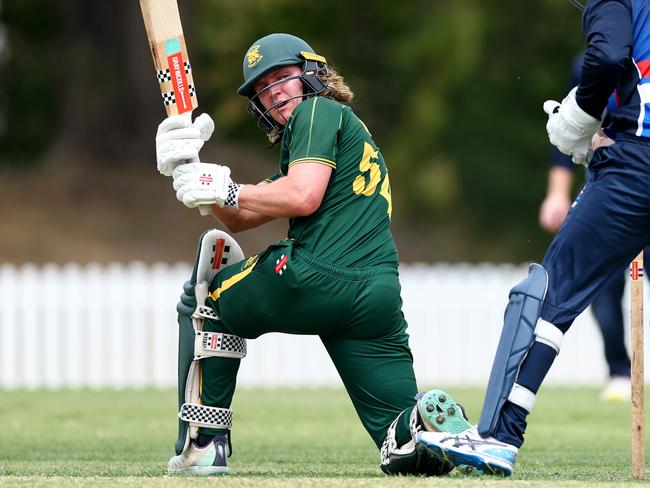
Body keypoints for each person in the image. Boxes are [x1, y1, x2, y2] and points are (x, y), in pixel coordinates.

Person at [154, 33, 472, 476]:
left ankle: (203, 445)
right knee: (399, 442)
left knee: (208, 298)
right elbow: (242, 216)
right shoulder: (333, 135)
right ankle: (428, 431)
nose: (275, 91)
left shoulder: (317, 111)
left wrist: (224, 187)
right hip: (376, 297)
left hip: (316, 275)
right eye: (264, 88)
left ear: (312, 75)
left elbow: (301, 197)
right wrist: (190, 170)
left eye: (283, 77)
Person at [418, 0, 650, 477]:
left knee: (547, 294)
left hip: (637, 169)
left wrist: (582, 122)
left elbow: (608, 58)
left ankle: (498, 435)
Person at [539, 53, 637, 403]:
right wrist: (557, 193)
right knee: (604, 287)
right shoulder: (591, 63)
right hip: (606, 188)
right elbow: (570, 127)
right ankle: (619, 371)